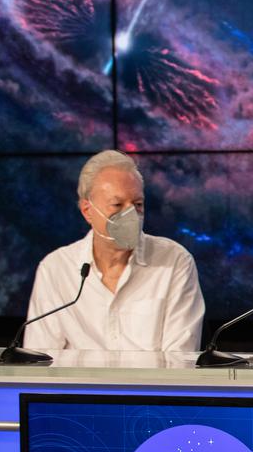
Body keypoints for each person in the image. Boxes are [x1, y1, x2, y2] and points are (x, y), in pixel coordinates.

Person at [24, 150, 205, 352]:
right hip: (81, 384)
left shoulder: (174, 261)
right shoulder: (56, 269)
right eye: (117, 205)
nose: (131, 215)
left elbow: (180, 359)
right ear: (87, 211)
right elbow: (38, 360)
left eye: (138, 204)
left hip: (152, 384)